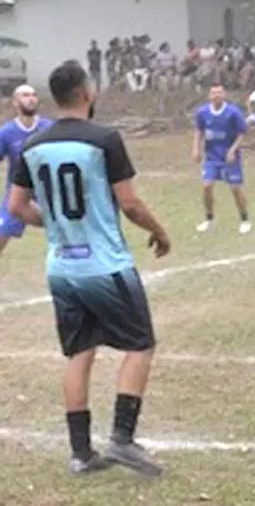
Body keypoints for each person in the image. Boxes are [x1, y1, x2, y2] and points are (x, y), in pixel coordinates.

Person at [6, 60, 170, 476]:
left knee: (79, 352)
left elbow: (16, 207)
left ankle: (81, 453)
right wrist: (159, 231)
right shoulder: (104, 139)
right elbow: (130, 203)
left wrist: (57, 224)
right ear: (86, 93)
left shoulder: (33, 146)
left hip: (62, 268)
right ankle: (122, 439)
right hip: (104, 265)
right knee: (140, 344)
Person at [0, 84, 53, 257]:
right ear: (15, 102)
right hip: (18, 193)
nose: (31, 98)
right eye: (25, 95)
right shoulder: (6, 133)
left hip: (48, 192)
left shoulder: (49, 128)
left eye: (33, 95)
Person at [193, 82, 252, 234]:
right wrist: (196, 149)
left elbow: (242, 132)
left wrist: (233, 150)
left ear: (224, 94)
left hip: (229, 157)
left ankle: (244, 219)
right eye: (214, 93)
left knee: (235, 188)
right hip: (211, 156)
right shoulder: (203, 112)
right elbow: (199, 131)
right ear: (209, 95)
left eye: (219, 93)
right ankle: (209, 219)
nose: (217, 96)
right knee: (206, 186)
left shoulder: (233, 112)